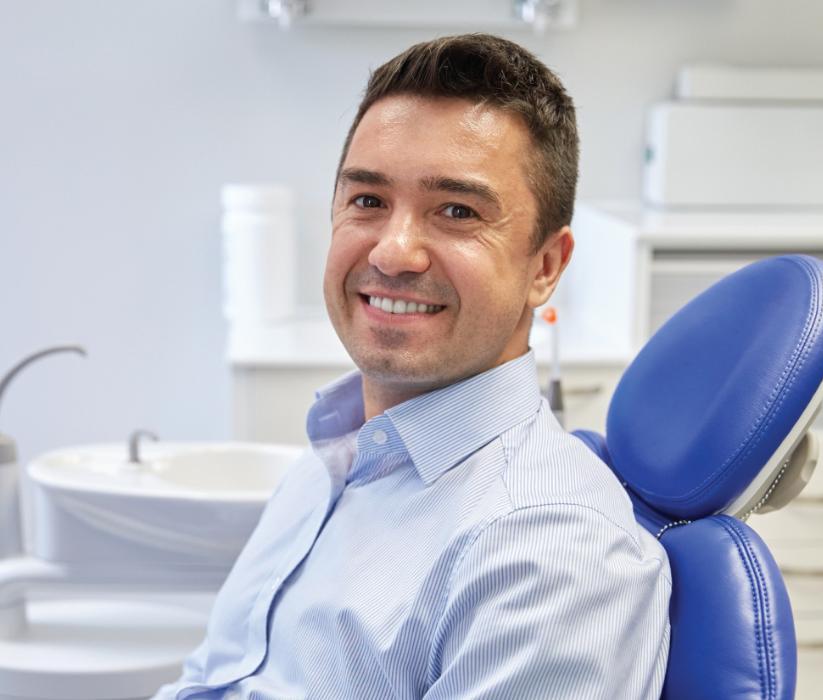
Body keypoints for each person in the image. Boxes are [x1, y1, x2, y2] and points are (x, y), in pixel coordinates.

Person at [155, 34, 670, 700]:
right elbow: (211, 678)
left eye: (456, 211)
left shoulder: (546, 555)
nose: (395, 252)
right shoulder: (330, 462)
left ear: (544, 267)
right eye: (367, 200)